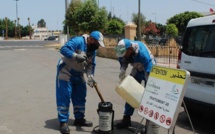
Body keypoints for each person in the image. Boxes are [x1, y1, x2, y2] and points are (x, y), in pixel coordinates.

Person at [56, 31, 105, 134]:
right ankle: (63, 122)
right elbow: (64, 49)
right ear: (91, 39)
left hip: (78, 73)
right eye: (97, 44)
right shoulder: (78, 41)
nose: (97, 47)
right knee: (64, 96)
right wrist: (75, 56)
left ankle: (79, 119)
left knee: (80, 96)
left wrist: (90, 77)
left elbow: (91, 65)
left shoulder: (92, 51)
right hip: (66, 70)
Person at [114, 39, 156, 129]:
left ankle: (149, 123)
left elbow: (148, 67)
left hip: (150, 70)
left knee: (149, 96)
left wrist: (149, 85)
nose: (124, 55)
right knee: (130, 92)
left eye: (125, 53)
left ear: (129, 49)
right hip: (137, 68)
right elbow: (123, 61)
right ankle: (126, 119)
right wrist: (122, 70)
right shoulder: (123, 50)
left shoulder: (142, 53)